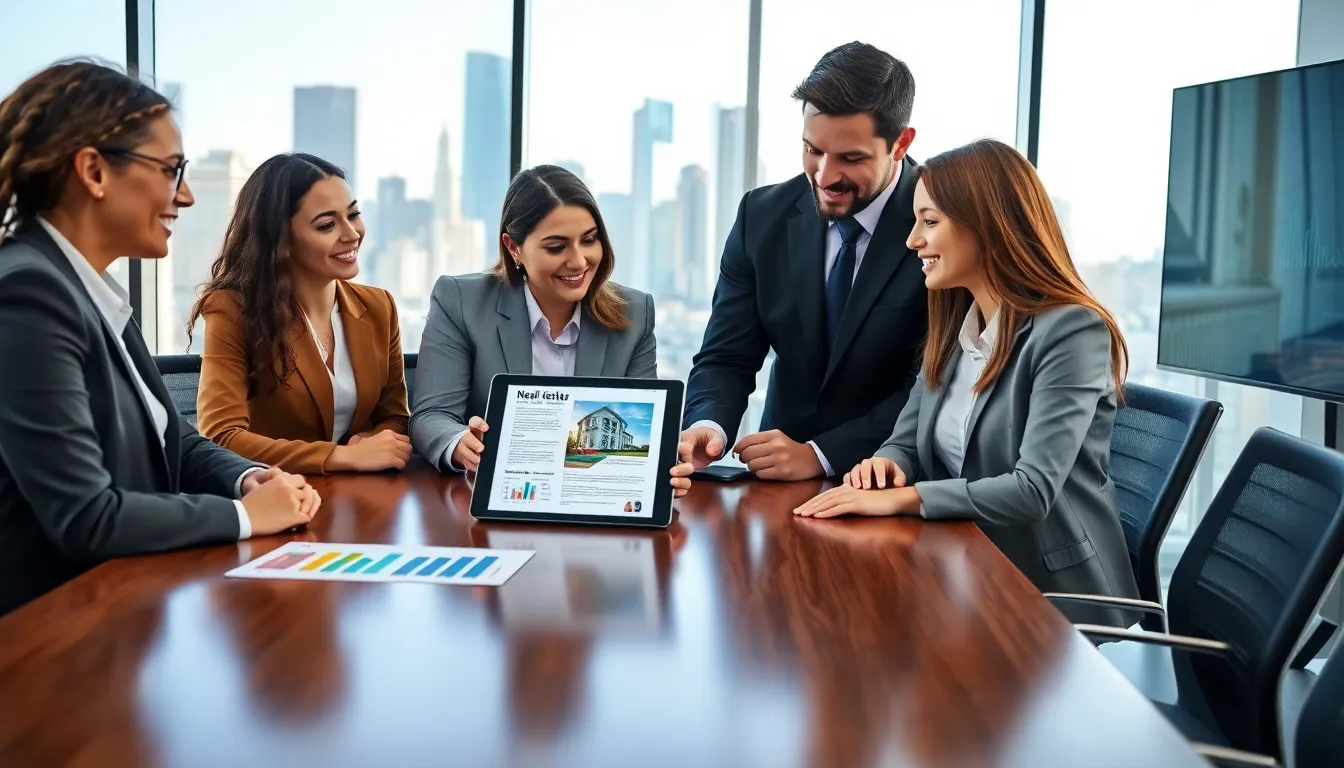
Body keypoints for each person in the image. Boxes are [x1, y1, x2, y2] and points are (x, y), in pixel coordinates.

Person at [0, 62, 318, 615]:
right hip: (51, 633)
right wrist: (245, 517)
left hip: (122, 611)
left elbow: (169, 436)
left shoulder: (88, 290)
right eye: (172, 170)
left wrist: (247, 478)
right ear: (94, 171)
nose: (186, 195)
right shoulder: (28, 294)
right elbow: (87, 517)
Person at [794, 139, 1142, 627]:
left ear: (986, 224)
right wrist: (886, 467)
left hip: (1048, 600)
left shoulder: (1072, 331)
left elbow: (1031, 490)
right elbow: (905, 443)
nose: (913, 240)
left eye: (930, 221)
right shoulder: (960, 327)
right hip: (965, 568)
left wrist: (903, 498)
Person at [680, 42, 929, 481]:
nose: (825, 176)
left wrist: (820, 455)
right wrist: (709, 424)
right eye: (813, 150)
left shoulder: (943, 220)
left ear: (901, 143)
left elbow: (934, 384)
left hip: (893, 480)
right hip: (774, 479)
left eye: (851, 158)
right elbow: (727, 355)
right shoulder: (761, 216)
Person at [410, 165, 693, 495]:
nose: (579, 261)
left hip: (591, 498)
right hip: (493, 498)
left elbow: (647, 425)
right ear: (514, 248)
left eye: (589, 240)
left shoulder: (634, 312)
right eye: (557, 247)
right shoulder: (461, 301)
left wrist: (663, 464)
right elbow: (431, 416)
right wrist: (460, 442)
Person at [192, 153, 411, 475]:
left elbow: (394, 417)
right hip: (273, 491)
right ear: (281, 239)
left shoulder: (379, 307)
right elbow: (222, 436)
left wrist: (371, 442)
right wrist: (341, 457)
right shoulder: (231, 309)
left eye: (353, 214)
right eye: (327, 225)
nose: (352, 234)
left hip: (361, 492)